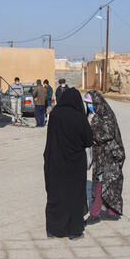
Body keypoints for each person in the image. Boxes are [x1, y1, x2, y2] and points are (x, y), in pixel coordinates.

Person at [44, 88, 94, 240]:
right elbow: (87, 140)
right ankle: (74, 232)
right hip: (74, 164)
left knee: (56, 194)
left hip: (55, 161)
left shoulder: (55, 115)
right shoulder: (79, 117)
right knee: (74, 195)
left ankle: (53, 230)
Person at [83, 90, 126, 225]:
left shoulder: (106, 115)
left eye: (90, 103)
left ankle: (95, 213)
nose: (89, 106)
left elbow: (108, 133)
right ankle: (112, 212)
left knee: (101, 183)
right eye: (87, 104)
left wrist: (94, 138)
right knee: (107, 182)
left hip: (110, 155)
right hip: (101, 155)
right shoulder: (95, 114)